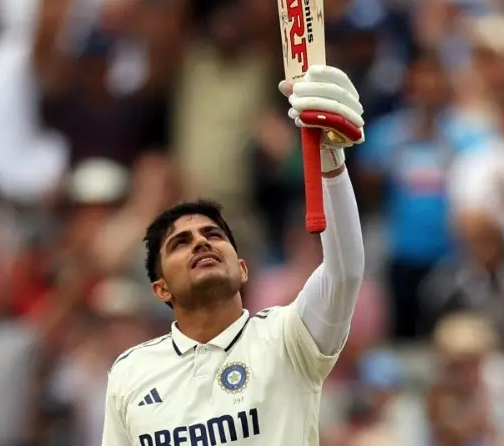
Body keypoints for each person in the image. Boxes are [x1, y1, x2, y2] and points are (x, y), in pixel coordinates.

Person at [100, 65, 367, 446]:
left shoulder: (287, 337)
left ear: (242, 269)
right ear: (160, 289)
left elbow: (344, 271)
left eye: (213, 235)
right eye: (180, 243)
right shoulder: (131, 372)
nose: (201, 243)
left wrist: (330, 158)